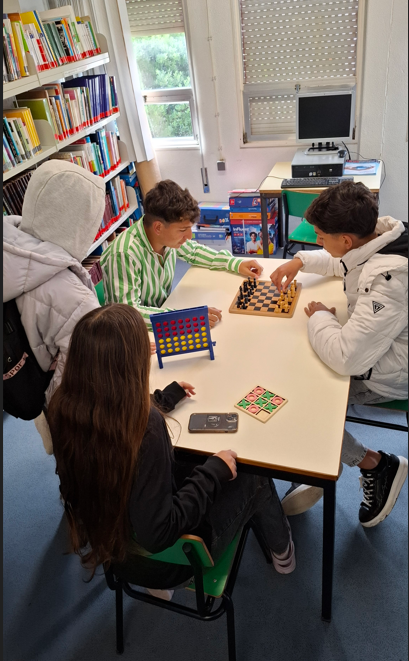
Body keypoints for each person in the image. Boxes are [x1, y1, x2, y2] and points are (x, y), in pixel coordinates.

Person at [48, 304, 295, 596]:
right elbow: (159, 534)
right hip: (167, 562)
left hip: (111, 549)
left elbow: (110, 418)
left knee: (191, 461)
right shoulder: (147, 427)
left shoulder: (62, 407)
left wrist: (162, 399)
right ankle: (283, 554)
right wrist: (211, 473)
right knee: (254, 474)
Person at [270, 181, 408, 528]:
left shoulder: (388, 280)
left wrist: (320, 316)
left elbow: (347, 358)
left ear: (345, 240)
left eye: (320, 237)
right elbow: (342, 264)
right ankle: (315, 455)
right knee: (299, 372)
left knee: (297, 400)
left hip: (391, 374)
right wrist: (299, 261)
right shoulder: (379, 236)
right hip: (378, 350)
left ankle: (375, 464)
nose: (316, 241)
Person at [3, 160, 106, 454]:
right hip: (67, 408)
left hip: (21, 376)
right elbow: (81, 376)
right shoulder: (74, 296)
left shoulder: (11, 243)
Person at [100, 180, 263, 329]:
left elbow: (194, 251)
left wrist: (235, 263)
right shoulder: (124, 253)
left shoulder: (164, 237)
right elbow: (127, 316)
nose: (189, 236)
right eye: (183, 230)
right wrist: (184, 318)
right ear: (158, 227)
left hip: (160, 315)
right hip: (135, 334)